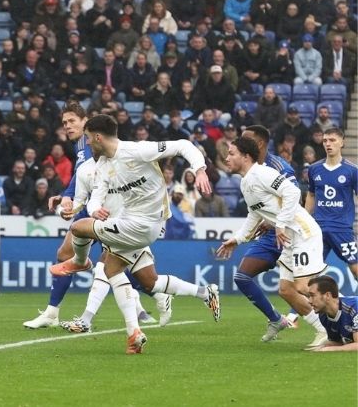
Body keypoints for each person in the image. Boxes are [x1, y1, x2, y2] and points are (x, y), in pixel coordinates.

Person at [52, 114, 220, 353]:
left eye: (89, 138)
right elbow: (95, 197)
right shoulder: (102, 166)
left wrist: (200, 170)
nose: (87, 143)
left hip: (146, 224)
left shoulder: (137, 150)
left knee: (79, 229)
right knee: (126, 274)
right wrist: (94, 209)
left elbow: (183, 145)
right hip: (131, 225)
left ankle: (80, 263)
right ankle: (138, 331)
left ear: (98, 137)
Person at [23, 102, 170, 330]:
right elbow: (81, 175)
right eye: (64, 123)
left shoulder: (94, 142)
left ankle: (151, 298)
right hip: (91, 205)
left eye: (72, 121)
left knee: (112, 266)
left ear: (85, 121)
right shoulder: (81, 146)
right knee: (67, 254)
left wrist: (72, 199)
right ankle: (54, 312)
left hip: (107, 206)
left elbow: (106, 172)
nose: (68, 126)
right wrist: (66, 196)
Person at [217, 136, 328, 349]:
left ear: (246, 156)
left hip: (302, 232)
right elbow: (254, 214)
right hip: (288, 238)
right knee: (286, 290)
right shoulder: (245, 182)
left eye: (232, 154)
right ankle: (323, 330)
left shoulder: (262, 173)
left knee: (304, 286)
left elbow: (293, 192)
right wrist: (238, 239)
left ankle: (350, 312)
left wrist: (280, 224)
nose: (226, 157)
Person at [304, 128, 357, 280]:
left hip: (342, 230)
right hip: (318, 230)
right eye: (325, 140)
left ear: (342, 142)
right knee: (310, 275)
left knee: (356, 270)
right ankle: (311, 304)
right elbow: (312, 194)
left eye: (332, 140)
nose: (328, 143)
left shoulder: (352, 171)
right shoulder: (314, 169)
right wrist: (305, 219)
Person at [306, 275, 358, 352]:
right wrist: (324, 346)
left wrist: (331, 349)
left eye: (312, 295)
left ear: (327, 295)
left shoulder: (354, 307)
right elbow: (340, 342)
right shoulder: (323, 316)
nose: (309, 301)